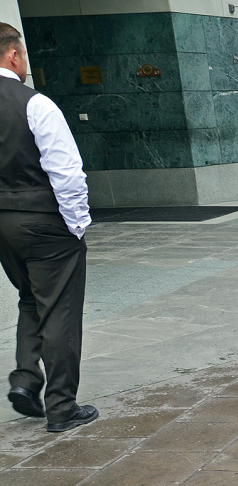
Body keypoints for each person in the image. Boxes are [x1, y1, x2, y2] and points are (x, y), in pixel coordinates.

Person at [0, 22, 96, 433]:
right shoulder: (34, 103)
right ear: (13, 55)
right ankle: (61, 407)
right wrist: (77, 226)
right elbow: (67, 172)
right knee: (60, 309)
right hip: (43, 221)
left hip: (2, 223)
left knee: (29, 299)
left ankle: (25, 380)